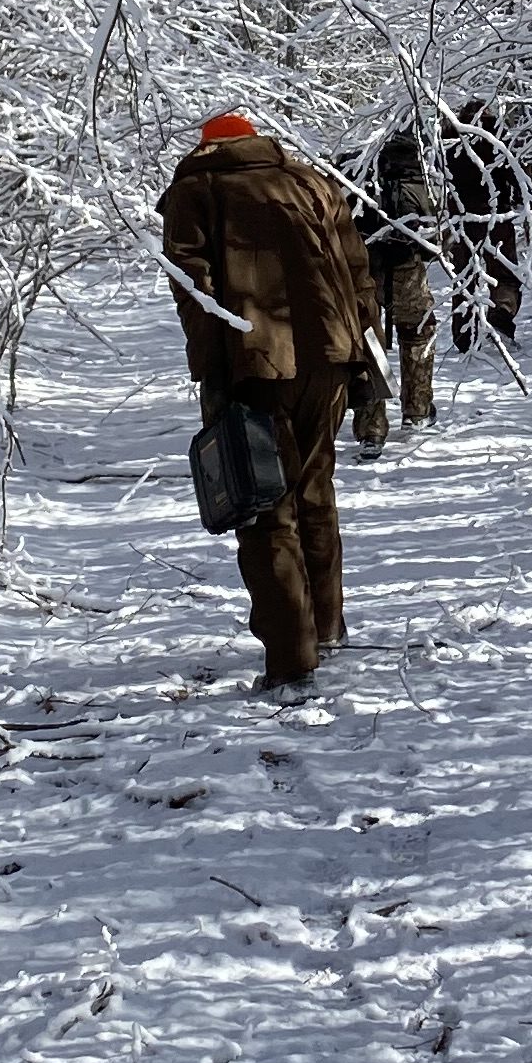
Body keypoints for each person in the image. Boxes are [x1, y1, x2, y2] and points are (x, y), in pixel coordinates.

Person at [159, 110, 385, 691]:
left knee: (264, 510)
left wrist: (214, 370)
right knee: (315, 493)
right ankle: (327, 629)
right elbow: (360, 276)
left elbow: (193, 289)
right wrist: (359, 353)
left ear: (209, 147)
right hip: (332, 361)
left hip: (254, 369)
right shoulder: (313, 182)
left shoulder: (197, 189)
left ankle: (291, 660)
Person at [352, 117, 442, 443]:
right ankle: (417, 409)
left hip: (363, 269)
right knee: (418, 331)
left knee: (367, 338)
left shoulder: (355, 172)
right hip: (408, 267)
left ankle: (371, 426)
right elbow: (435, 239)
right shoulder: (419, 178)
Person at [443, 101, 529, 352]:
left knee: (464, 279)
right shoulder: (497, 138)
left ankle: (464, 339)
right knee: (504, 276)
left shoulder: (449, 139)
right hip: (497, 217)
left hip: (462, 220)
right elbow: (517, 175)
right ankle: (501, 320)